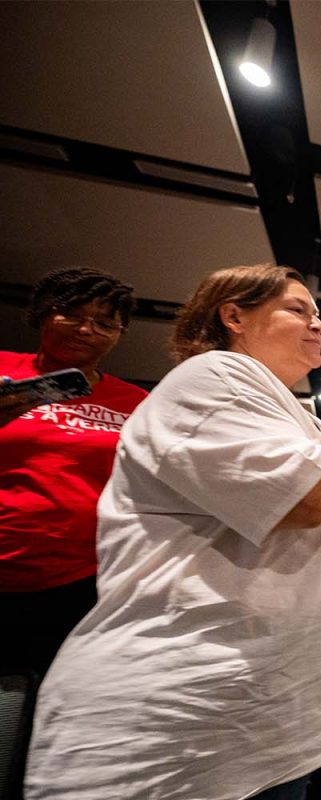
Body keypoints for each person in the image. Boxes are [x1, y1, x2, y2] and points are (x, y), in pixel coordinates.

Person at [23, 265, 321, 799]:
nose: (318, 325)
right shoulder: (213, 377)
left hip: (263, 714)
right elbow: (311, 498)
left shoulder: (299, 418)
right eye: (299, 310)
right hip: (190, 720)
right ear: (234, 316)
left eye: (318, 315)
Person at [1, 267, 148, 680]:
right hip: (7, 558)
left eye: (105, 323)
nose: (87, 330)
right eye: (72, 314)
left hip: (84, 575)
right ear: (43, 312)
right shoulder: (4, 372)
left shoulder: (134, 401)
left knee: (57, 695)